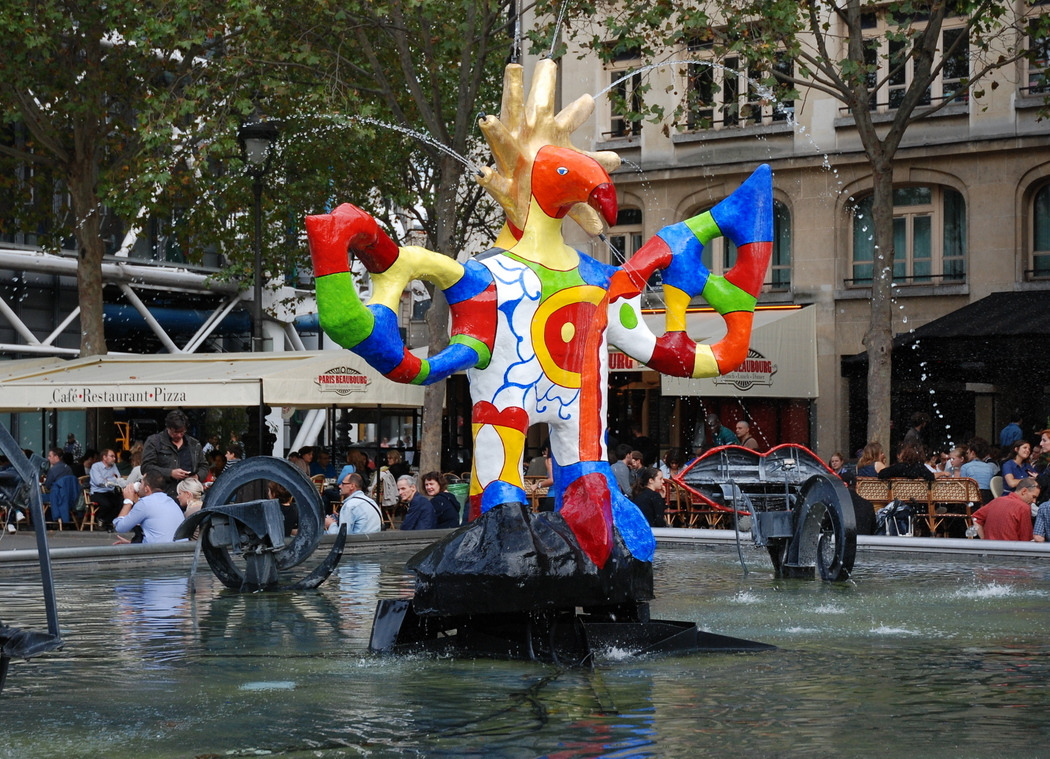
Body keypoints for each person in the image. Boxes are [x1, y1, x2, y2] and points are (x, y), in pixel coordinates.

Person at [141, 410, 208, 499]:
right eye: (175, 432)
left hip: (189, 496)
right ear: (168, 428)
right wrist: (170, 473)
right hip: (164, 495)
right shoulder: (154, 442)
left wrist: (197, 476)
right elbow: (146, 467)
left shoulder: (194, 444)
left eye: (182, 432)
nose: (179, 435)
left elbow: (204, 466)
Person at [113, 470, 185, 544]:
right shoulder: (171, 501)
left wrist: (128, 501)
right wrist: (131, 543)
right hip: (178, 549)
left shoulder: (145, 503)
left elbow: (120, 527)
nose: (139, 486)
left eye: (141, 483)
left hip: (160, 550)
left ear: (146, 489)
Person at [972, 478, 1039, 541]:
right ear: (1024, 491)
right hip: (1011, 547)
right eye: (1033, 497)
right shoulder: (1024, 508)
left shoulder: (996, 501)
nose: (1034, 501)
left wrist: (984, 539)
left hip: (990, 546)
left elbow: (976, 518)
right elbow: (1025, 537)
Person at [88, 448, 124, 527]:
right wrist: (112, 479)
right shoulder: (96, 466)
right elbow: (99, 482)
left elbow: (118, 478)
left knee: (121, 503)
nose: (114, 458)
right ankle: (100, 518)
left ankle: (104, 520)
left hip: (110, 491)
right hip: (97, 492)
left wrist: (107, 480)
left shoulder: (113, 466)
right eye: (112, 456)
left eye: (114, 456)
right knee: (107, 504)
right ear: (104, 457)